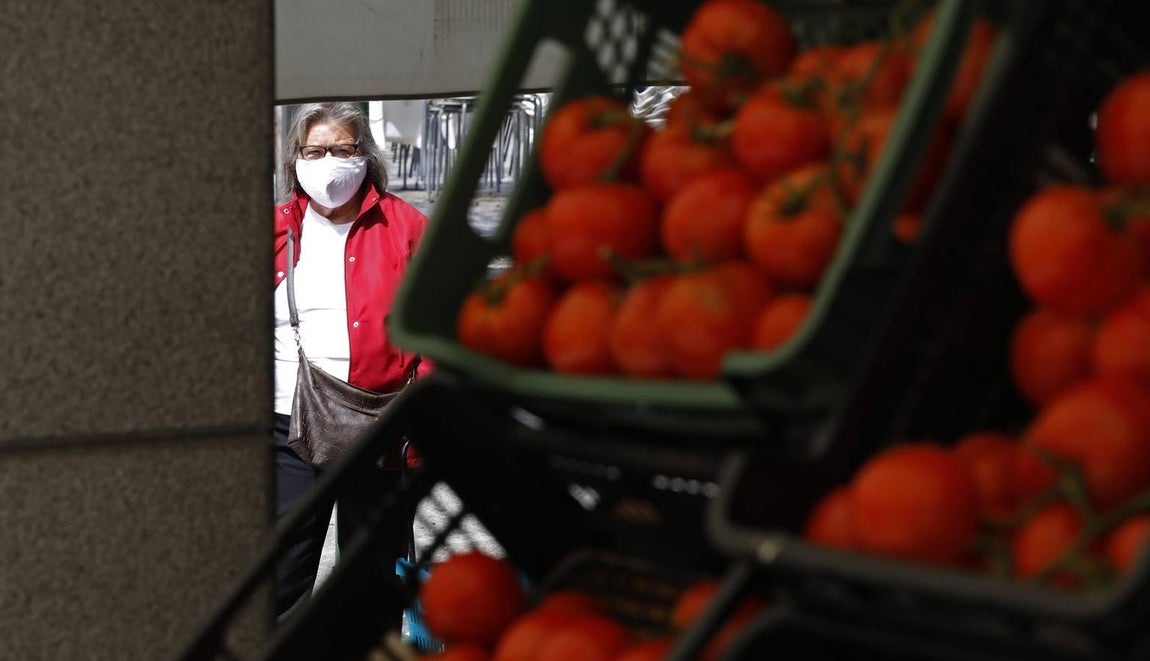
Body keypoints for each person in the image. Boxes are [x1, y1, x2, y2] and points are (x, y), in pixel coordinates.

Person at [272, 102, 430, 621]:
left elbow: (437, 327)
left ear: (366, 155)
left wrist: (421, 412)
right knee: (281, 576)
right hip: (288, 430)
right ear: (295, 159)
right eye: (315, 151)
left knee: (374, 579)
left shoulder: (405, 226)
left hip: (384, 429)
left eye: (343, 149)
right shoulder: (275, 229)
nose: (329, 163)